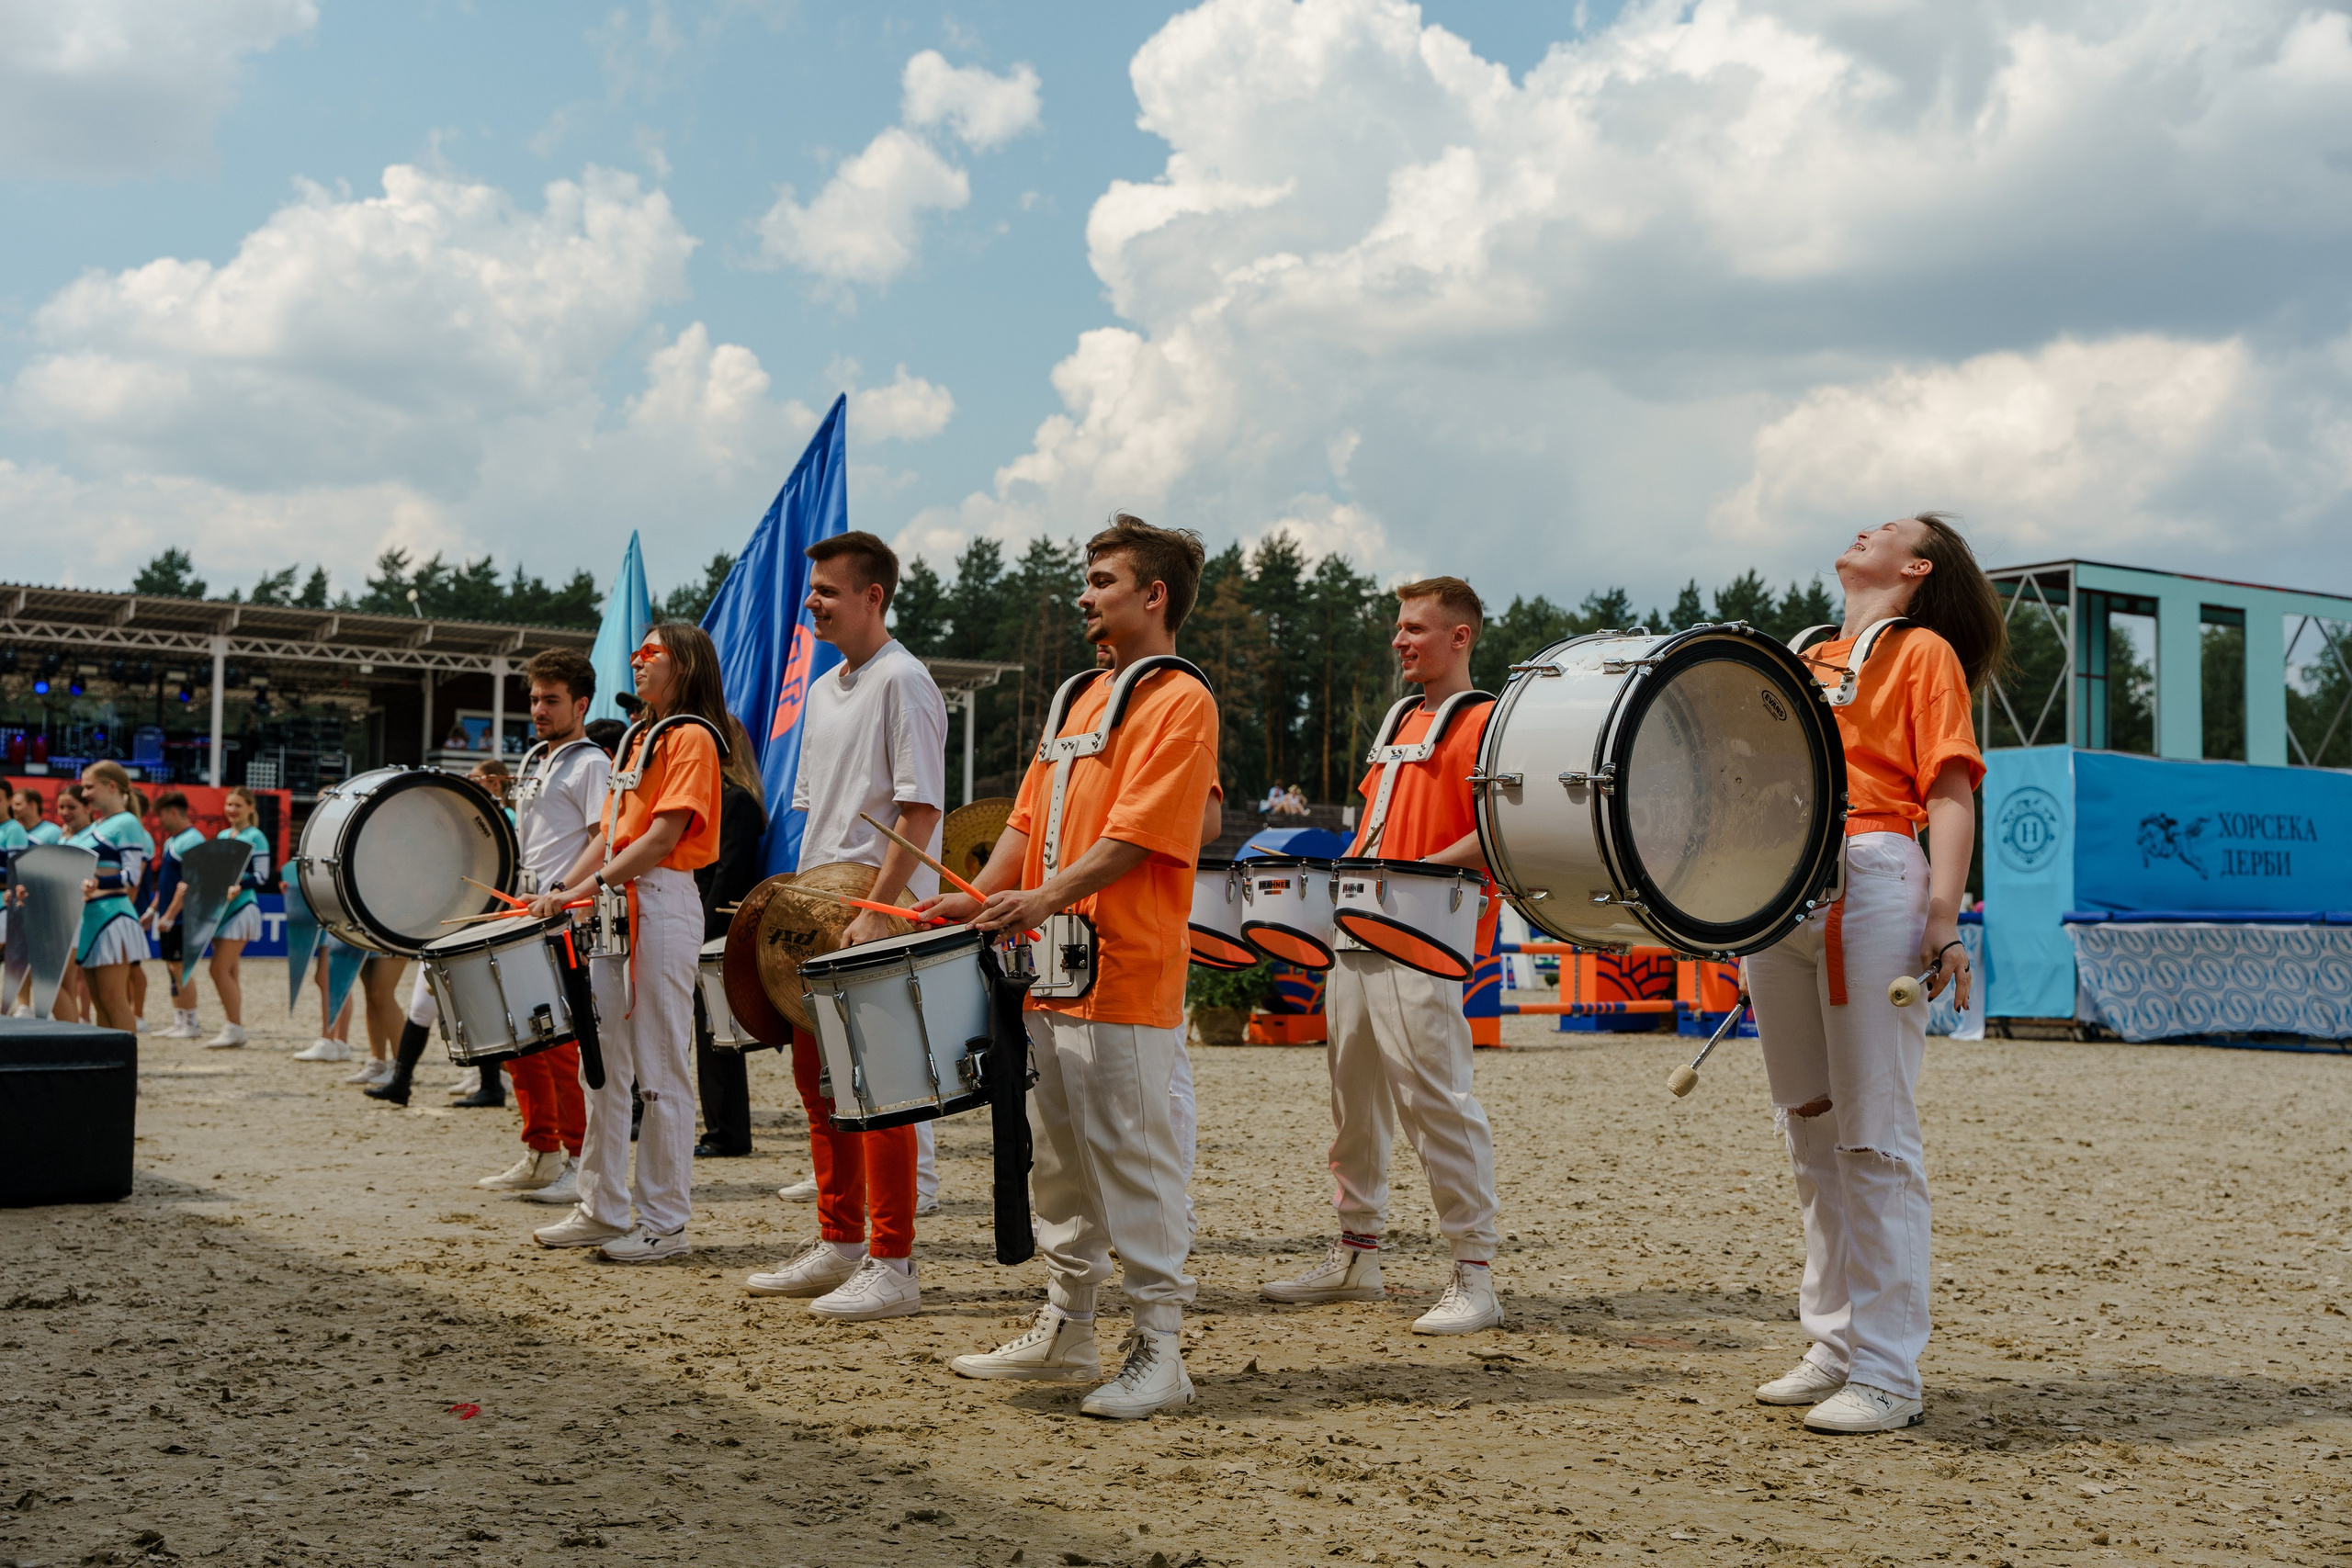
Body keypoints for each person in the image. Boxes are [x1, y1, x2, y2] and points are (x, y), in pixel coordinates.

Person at [926, 515, 1219, 1420]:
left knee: (1133, 1160)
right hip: (1052, 971)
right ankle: (1069, 1324)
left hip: (1126, 969)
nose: (1083, 596)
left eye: (1101, 580)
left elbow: (1143, 834)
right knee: (1059, 1162)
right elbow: (1023, 823)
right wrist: (977, 897)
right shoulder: (1071, 701)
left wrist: (1045, 897)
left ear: (1152, 595)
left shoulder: (1179, 699)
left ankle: (1162, 1352)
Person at [1739, 513, 1995, 1435]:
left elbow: (1950, 788)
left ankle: (1889, 1372)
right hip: (1781, 880)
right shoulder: (1803, 650)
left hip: (1876, 874)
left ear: (1915, 566)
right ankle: (1835, 1342)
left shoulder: (1923, 652)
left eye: (1883, 528)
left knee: (1873, 1135)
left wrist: (1943, 917)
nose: (1859, 529)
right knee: (1809, 1125)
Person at [1261, 579, 1505, 1332]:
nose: (1399, 639)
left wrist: (1414, 872)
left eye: (1415, 628)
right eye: (1398, 627)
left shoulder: (1489, 721)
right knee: (1353, 1103)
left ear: (1460, 637)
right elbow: (1375, 820)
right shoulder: (1401, 718)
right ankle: (1357, 1253)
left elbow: (1499, 827)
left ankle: (1476, 1275)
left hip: (1423, 930)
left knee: (1436, 1100)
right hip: (1359, 926)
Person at [743, 530, 947, 1320]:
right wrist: (791, 909)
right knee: (819, 1084)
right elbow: (813, 819)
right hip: (817, 915)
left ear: (875, 596)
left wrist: (874, 913)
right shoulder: (826, 689)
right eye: (811, 588)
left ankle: (894, 1262)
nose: (812, 602)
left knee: (882, 1093)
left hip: (878, 916)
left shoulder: (905, 680)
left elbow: (921, 809)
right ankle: (839, 1241)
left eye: (828, 589)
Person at [527, 622, 727, 1263]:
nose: (638, 663)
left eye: (652, 655)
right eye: (637, 654)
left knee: (661, 1068)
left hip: (663, 899)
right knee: (603, 1065)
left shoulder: (691, 734)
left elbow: (663, 838)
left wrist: (584, 885)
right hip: (619, 905)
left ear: (684, 665)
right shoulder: (642, 734)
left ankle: (666, 1221)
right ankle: (603, 1204)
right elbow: (610, 833)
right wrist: (567, 885)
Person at [463, 650, 608, 1202]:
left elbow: (605, 839)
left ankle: (577, 1160)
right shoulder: (534, 759)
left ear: (581, 703)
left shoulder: (592, 763)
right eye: (534, 699)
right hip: (524, 913)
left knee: (560, 1046)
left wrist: (559, 891)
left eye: (551, 700)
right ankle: (542, 1150)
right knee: (521, 1039)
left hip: (564, 917)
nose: (539, 709)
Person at [693, 715, 770, 1160]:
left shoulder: (736, 799)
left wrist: (698, 934)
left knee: (714, 1034)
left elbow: (727, 874)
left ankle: (728, 1133)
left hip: (714, 927)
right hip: (703, 920)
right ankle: (720, 1128)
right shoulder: (718, 796)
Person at [70, 762, 154, 1034]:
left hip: (112, 918)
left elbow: (132, 875)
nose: (85, 794)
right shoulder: (98, 824)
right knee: (99, 1002)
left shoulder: (127, 822)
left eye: (89, 786)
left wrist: (98, 882)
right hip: (90, 918)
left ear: (112, 786)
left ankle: (125, 1068)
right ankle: (109, 1067)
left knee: (113, 999)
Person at [189, 786, 271, 1048]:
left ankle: (234, 1026)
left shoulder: (256, 836)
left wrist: (239, 883)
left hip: (242, 908)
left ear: (250, 808)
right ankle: (233, 1025)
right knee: (230, 970)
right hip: (221, 909)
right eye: (229, 805)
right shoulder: (224, 834)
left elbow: (261, 876)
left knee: (218, 969)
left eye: (238, 805)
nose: (232, 810)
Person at [146, 792, 208, 1040]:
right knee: (172, 967)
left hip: (184, 917)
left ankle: (191, 1023)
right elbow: (167, 883)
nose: (158, 821)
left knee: (181, 968)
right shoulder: (173, 841)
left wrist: (170, 914)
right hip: (171, 915)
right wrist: (153, 910)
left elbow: (190, 882)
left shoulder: (192, 840)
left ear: (173, 812)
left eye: (159, 815)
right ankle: (179, 1020)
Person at [53, 784, 96, 1021]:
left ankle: (74, 1031)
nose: (65, 811)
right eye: (61, 807)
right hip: (62, 914)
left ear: (88, 807)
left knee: (53, 981)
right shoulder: (65, 836)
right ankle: (71, 1033)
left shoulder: (91, 837)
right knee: (67, 982)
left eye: (72, 806)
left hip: (78, 914)